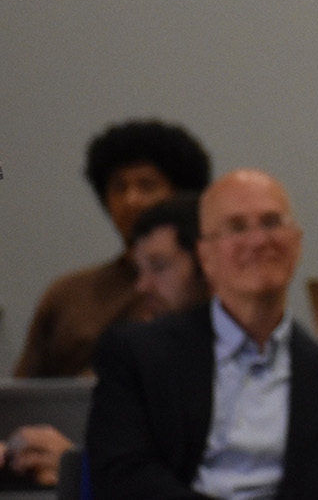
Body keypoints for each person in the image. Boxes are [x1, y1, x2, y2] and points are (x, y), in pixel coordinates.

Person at [86, 169, 318, 500]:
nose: (258, 241)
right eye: (237, 227)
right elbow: (119, 478)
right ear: (205, 255)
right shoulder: (137, 356)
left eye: (272, 222)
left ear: (296, 243)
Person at [0, 193, 213, 491]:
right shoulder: (142, 360)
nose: (143, 286)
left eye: (160, 266)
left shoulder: (240, 361)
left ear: (209, 264)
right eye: (140, 270)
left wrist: (77, 467)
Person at [15, 119, 212, 377]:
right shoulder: (67, 295)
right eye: (119, 187)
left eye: (147, 185)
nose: (131, 200)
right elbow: (21, 400)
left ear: (181, 194)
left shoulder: (209, 287)